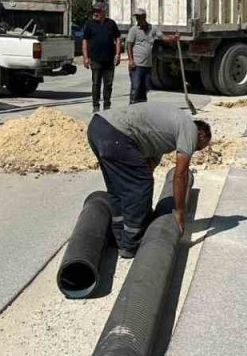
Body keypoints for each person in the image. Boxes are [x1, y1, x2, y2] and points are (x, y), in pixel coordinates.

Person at [87, 102, 212, 258]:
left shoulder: (167, 130)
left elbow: (148, 165)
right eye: (199, 147)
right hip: (116, 133)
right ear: (201, 134)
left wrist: (144, 209)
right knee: (140, 184)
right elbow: (180, 174)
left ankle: (119, 237)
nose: (195, 149)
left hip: (98, 127)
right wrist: (179, 212)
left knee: (118, 187)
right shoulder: (190, 129)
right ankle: (131, 244)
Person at [81, 3, 121, 112]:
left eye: (98, 11)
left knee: (108, 84)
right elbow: (85, 41)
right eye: (94, 10)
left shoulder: (111, 24)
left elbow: (117, 39)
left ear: (103, 12)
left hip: (109, 60)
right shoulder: (89, 24)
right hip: (95, 59)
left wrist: (117, 54)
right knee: (96, 84)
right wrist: (85, 57)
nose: (95, 13)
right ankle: (96, 106)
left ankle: (107, 105)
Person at [125, 7, 164, 104]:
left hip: (147, 65)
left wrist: (173, 38)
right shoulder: (134, 30)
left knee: (145, 87)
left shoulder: (152, 28)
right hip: (136, 65)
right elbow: (129, 45)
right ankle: (133, 106)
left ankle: (142, 107)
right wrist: (131, 61)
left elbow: (163, 37)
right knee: (136, 87)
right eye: (136, 17)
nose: (138, 19)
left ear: (144, 17)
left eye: (139, 17)